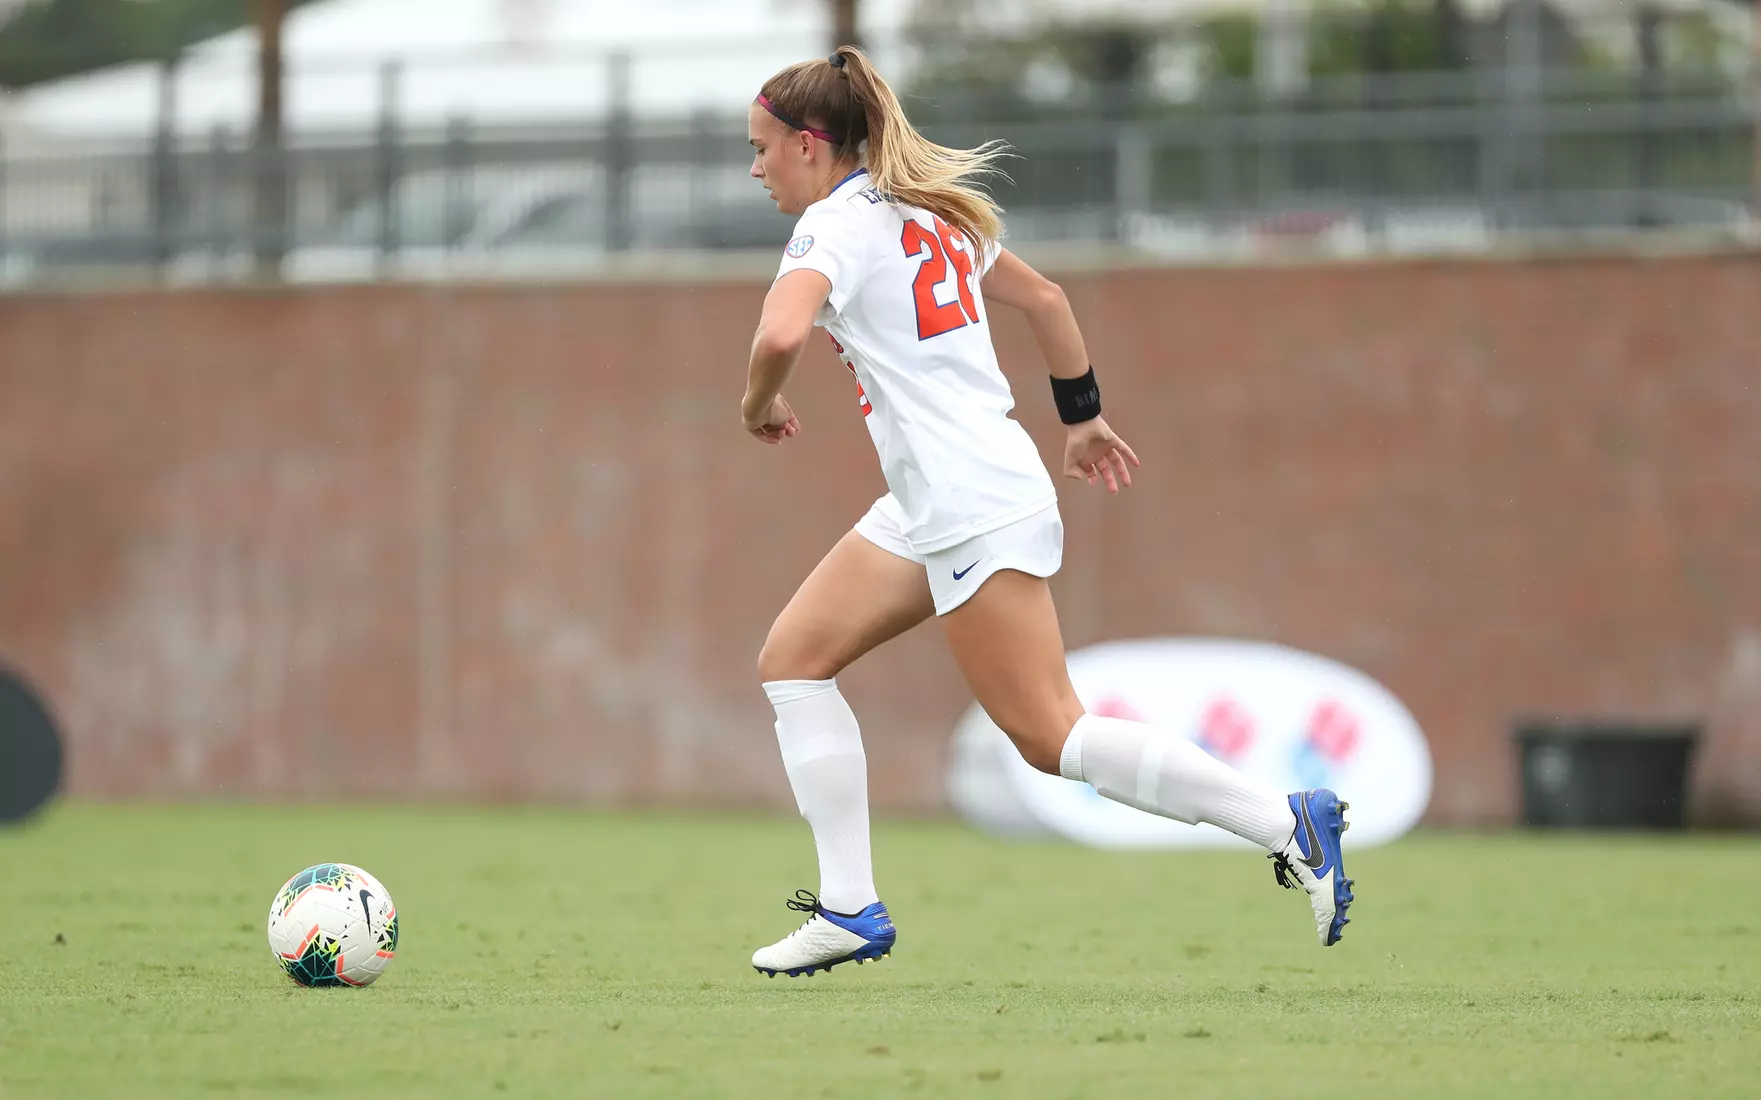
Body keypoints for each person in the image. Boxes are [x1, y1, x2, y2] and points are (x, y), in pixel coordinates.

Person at [741, 46, 1353, 979]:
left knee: (1049, 737)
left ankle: (1287, 824)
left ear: (811, 146)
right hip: (944, 493)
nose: (755, 168)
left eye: (761, 148)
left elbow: (779, 330)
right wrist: (1083, 419)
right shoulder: (927, 211)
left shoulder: (833, 225)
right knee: (793, 659)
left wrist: (757, 404)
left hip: (966, 498)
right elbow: (1046, 299)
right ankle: (848, 906)